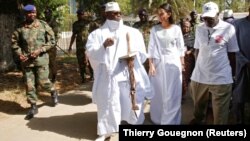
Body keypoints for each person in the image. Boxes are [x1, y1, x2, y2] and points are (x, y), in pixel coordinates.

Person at [85, 2, 152, 141]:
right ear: (106, 14)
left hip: (128, 73)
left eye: (119, 12)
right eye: (115, 13)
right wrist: (103, 45)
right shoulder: (97, 34)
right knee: (108, 102)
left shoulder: (133, 32)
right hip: (108, 75)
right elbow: (90, 53)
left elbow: (143, 54)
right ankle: (106, 131)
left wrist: (133, 57)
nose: (118, 15)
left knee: (131, 100)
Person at [189, 1, 239, 125]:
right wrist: (196, 69)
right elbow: (197, 50)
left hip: (221, 78)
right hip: (200, 77)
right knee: (198, 110)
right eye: (205, 17)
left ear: (218, 14)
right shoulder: (199, 28)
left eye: (210, 17)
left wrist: (232, 75)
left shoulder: (228, 28)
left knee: (220, 116)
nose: (207, 20)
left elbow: (232, 55)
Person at [11, 4, 59, 120]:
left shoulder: (43, 25)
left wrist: (41, 50)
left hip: (41, 59)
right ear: (25, 14)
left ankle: (53, 91)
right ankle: (33, 106)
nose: (31, 14)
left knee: (43, 82)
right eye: (28, 13)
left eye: (33, 12)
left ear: (36, 13)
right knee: (29, 84)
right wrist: (19, 54)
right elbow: (14, 42)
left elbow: (53, 40)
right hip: (27, 61)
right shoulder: (20, 27)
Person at [148, 3, 185, 125]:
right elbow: (151, 48)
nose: (159, 16)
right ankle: (158, 118)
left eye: (162, 13)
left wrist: (182, 64)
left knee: (172, 93)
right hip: (158, 65)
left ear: (169, 14)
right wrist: (151, 65)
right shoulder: (155, 29)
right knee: (159, 92)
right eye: (158, 13)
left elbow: (180, 49)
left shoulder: (176, 29)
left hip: (173, 64)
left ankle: (170, 121)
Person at [232, 6, 250, 124]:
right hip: (242, 66)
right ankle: (240, 118)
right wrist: (245, 62)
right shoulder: (238, 24)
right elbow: (235, 47)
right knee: (240, 94)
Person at [68, 9, 94, 83]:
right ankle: (83, 78)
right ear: (77, 15)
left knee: (90, 61)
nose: (80, 16)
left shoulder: (88, 23)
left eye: (82, 14)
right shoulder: (75, 24)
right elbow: (73, 35)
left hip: (88, 46)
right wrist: (70, 46)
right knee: (80, 62)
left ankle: (92, 75)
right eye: (79, 14)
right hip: (79, 47)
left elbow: (93, 33)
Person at [133, 8, 154, 72]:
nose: (142, 16)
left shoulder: (151, 24)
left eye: (144, 15)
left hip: (149, 49)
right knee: (141, 68)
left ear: (146, 15)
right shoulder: (136, 25)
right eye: (140, 15)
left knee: (150, 68)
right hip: (139, 49)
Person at [180, 18, 195, 97]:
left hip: (189, 59)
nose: (186, 28)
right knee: (181, 77)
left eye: (187, 27)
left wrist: (190, 51)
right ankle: (182, 94)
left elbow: (195, 47)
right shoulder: (178, 35)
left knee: (186, 77)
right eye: (184, 26)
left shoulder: (193, 36)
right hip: (179, 58)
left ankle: (185, 94)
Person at [44, 8, 59, 83]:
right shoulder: (44, 22)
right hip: (44, 45)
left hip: (52, 46)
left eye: (47, 13)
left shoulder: (53, 23)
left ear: (50, 14)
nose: (46, 15)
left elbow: (55, 34)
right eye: (45, 13)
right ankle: (47, 77)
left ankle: (54, 76)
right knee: (45, 62)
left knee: (52, 62)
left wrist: (53, 43)